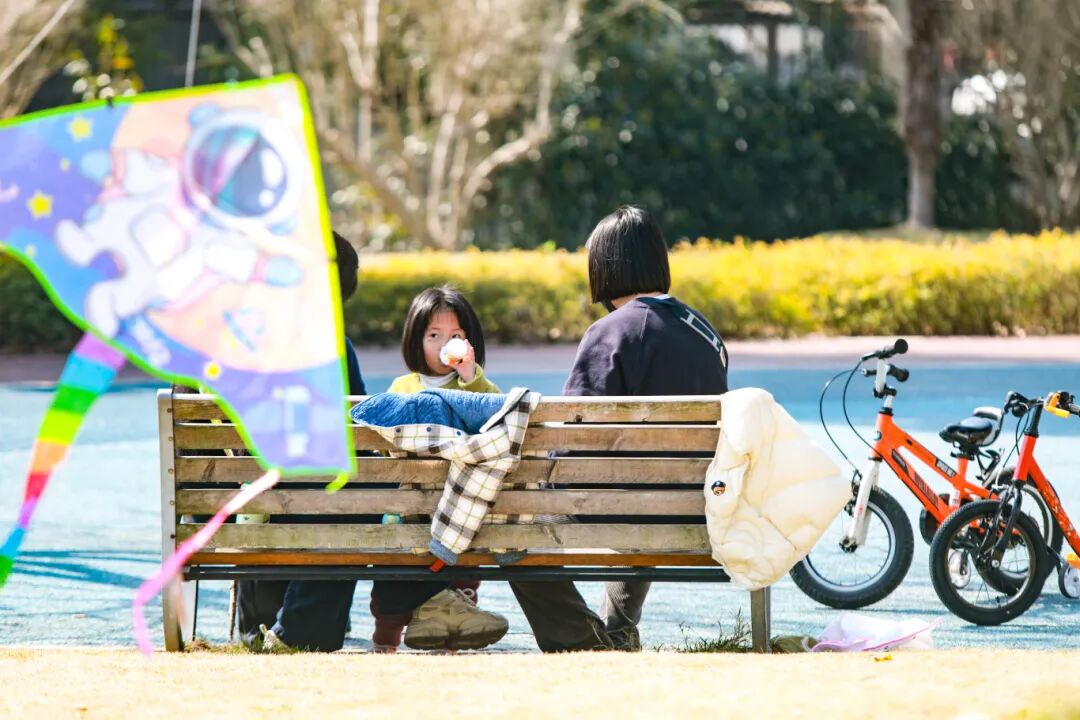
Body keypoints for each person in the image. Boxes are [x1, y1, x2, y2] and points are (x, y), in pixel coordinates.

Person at [510, 205, 729, 652]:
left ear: (606, 268)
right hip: (697, 508)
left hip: (622, 506)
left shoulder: (610, 333)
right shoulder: (707, 334)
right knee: (638, 490)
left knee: (514, 529)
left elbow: (571, 443)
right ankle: (618, 629)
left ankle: (585, 640)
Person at [370, 285, 507, 652]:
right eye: (434, 335)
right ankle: (385, 643)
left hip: (458, 506)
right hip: (411, 508)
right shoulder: (403, 386)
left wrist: (471, 377)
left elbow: (493, 420)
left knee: (462, 561)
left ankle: (453, 636)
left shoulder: (479, 386)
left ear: (470, 342)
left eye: (455, 335)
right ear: (416, 340)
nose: (445, 344)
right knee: (393, 579)